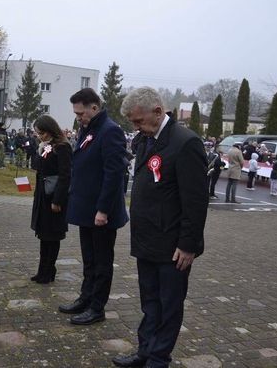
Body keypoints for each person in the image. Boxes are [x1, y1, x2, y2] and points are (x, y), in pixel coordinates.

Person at [112, 87, 208, 368]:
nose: (135, 127)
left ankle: (158, 358)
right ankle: (145, 350)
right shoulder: (145, 139)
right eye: (132, 122)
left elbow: (196, 201)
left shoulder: (185, 143)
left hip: (172, 246)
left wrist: (188, 245)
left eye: (139, 121)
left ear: (158, 111)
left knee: (168, 306)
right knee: (149, 302)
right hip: (147, 240)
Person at [59, 88, 128, 326]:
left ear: (94, 108)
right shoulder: (89, 129)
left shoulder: (110, 131)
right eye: (77, 114)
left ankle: (97, 307)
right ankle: (85, 298)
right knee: (89, 259)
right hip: (87, 208)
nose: (78, 117)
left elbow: (113, 174)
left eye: (81, 113)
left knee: (102, 262)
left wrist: (103, 210)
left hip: (101, 212)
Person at [30, 115, 72, 284]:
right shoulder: (47, 147)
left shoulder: (62, 147)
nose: (40, 136)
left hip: (54, 197)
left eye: (42, 133)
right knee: (43, 236)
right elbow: (37, 167)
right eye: (38, 133)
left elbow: (65, 176)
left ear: (50, 130)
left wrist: (58, 200)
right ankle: (42, 270)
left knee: (52, 236)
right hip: (43, 196)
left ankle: (49, 270)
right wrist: (39, 150)